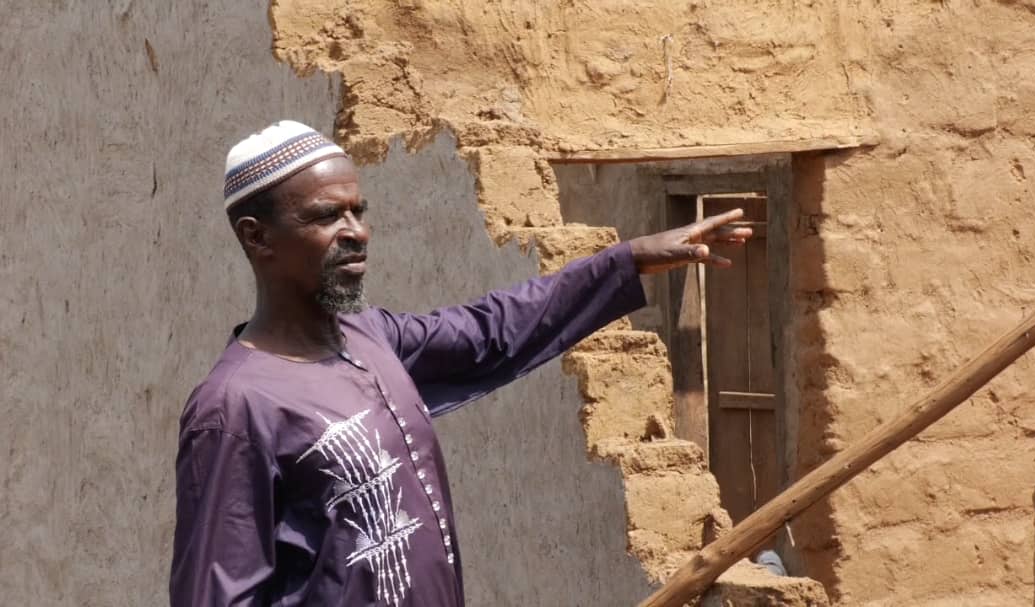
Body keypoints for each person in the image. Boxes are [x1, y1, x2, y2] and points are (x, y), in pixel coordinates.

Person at [169, 121, 751, 606]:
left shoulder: (371, 338)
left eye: (358, 212)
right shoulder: (236, 407)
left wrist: (628, 260)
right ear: (257, 238)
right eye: (327, 217)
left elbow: (492, 330)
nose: (357, 233)